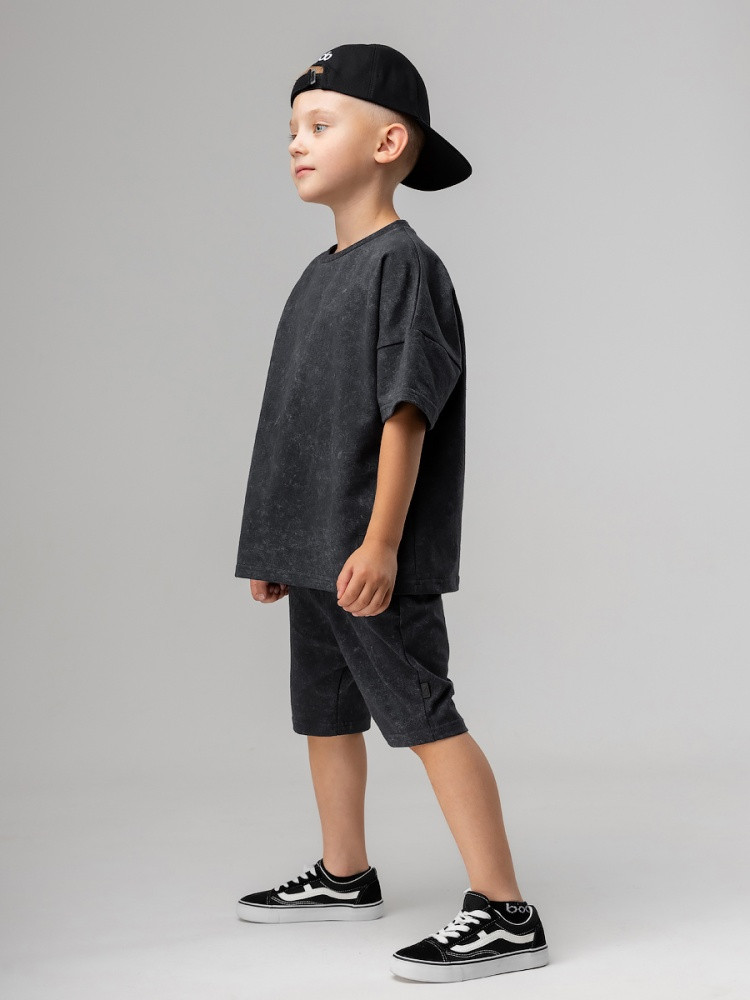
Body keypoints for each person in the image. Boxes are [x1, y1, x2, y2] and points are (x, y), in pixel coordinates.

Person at [233, 42, 549, 984]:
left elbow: (405, 413)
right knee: (325, 713)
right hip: (313, 550)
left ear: (388, 143)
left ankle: (505, 909)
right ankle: (345, 873)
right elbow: (296, 417)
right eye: (292, 129)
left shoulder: (404, 266)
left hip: (370, 557)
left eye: (319, 124)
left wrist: (380, 542)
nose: (296, 143)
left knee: (423, 713)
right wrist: (277, 540)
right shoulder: (318, 273)